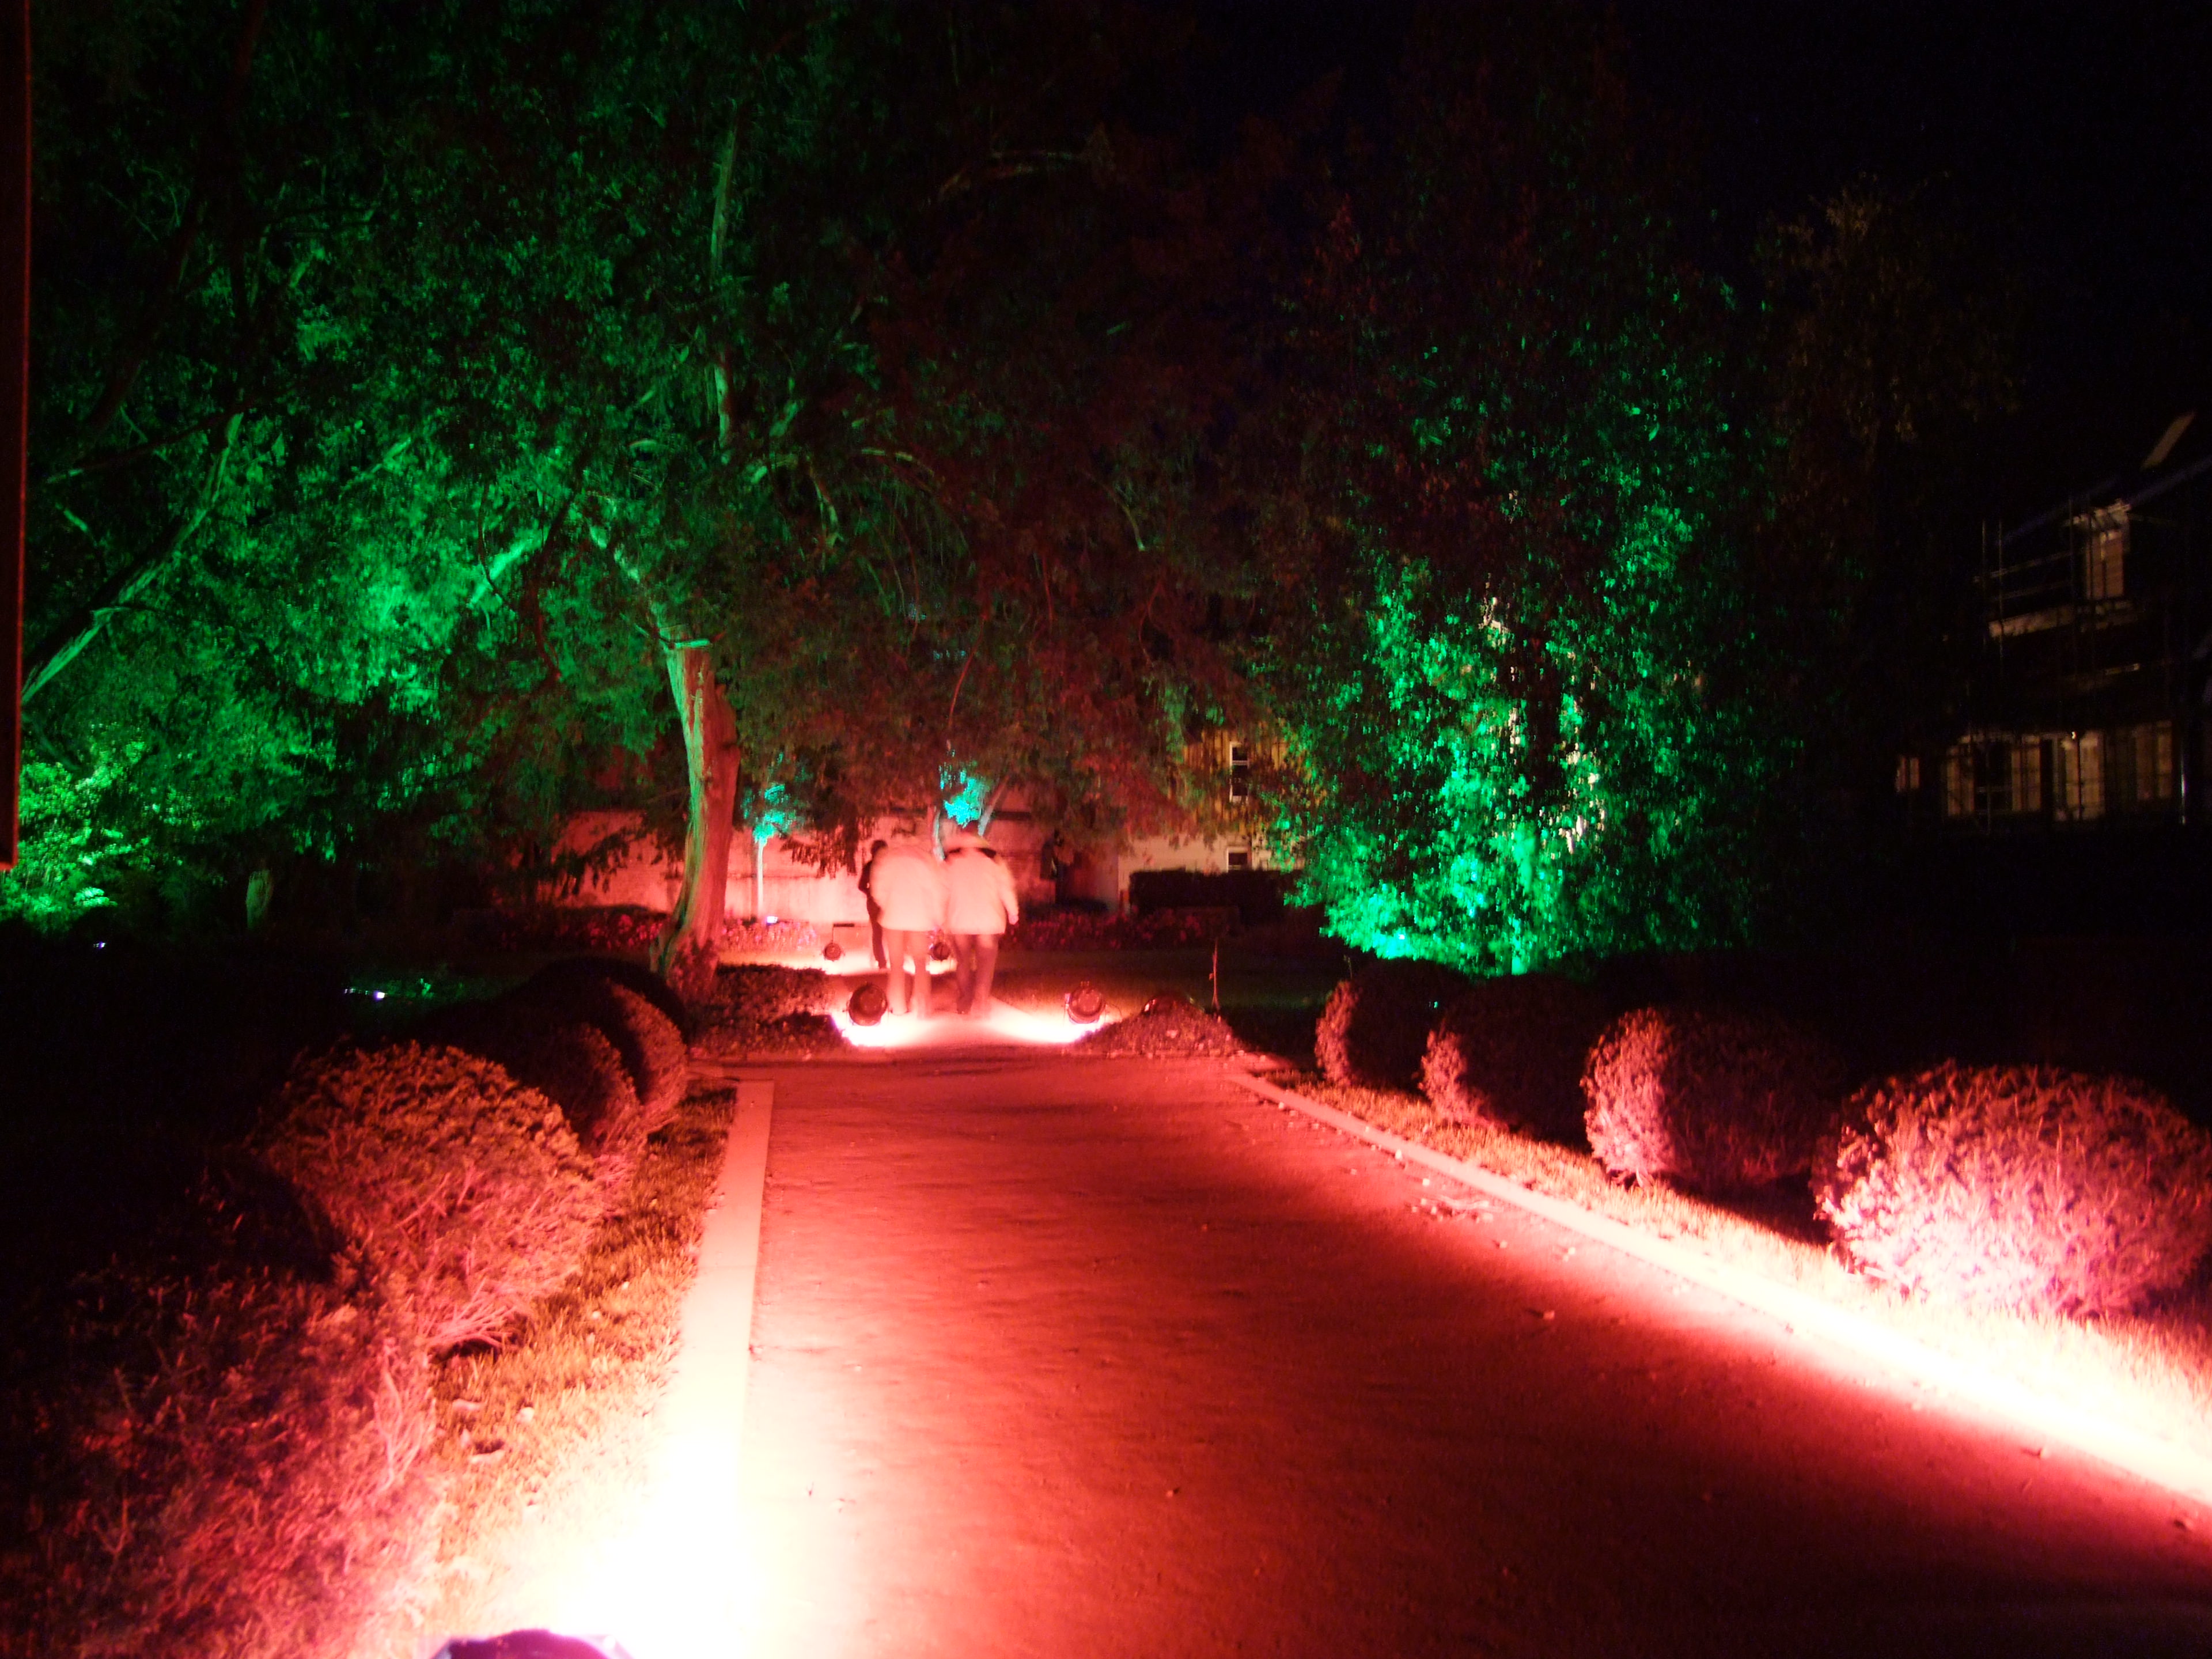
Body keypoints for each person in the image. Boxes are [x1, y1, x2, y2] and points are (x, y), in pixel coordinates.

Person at [942, 824, 1020, 1017]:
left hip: (960, 920)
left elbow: (942, 891)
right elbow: (1005, 887)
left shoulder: (951, 862)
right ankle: (981, 1002)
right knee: (986, 963)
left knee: (963, 962)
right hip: (988, 920)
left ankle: (964, 1002)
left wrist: (939, 917)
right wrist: (1013, 912)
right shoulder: (993, 861)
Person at [867, 835, 945, 1016]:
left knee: (896, 964)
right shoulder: (927, 859)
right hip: (920, 919)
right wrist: (938, 918)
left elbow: (877, 890)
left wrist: (887, 905)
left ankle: (898, 1006)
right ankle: (922, 1006)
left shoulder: (887, 858)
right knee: (921, 962)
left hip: (894, 917)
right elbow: (937, 891)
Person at [857, 838, 891, 968]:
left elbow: (861, 886)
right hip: (887, 903)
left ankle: (882, 962)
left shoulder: (869, 866)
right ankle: (893, 960)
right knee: (891, 931)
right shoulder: (889, 866)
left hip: (873, 903)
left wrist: (870, 893)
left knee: (877, 934)